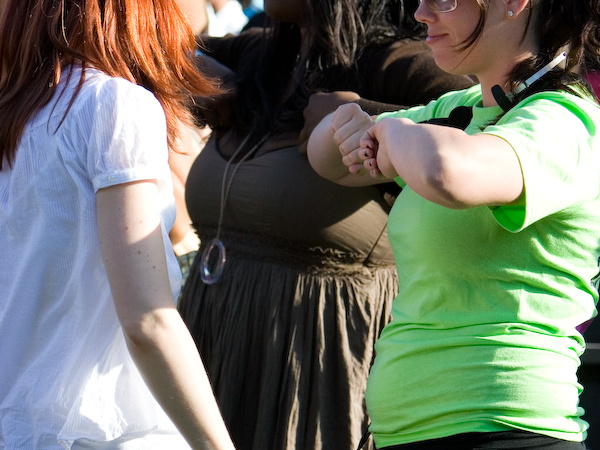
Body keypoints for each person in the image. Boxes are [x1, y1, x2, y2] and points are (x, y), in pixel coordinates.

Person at [177, 0, 473, 449]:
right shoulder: (263, 55)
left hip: (317, 367)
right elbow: (118, 41)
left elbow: (494, 135)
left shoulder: (397, 63)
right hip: (212, 349)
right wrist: (189, 70)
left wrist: (369, 116)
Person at [307, 0, 600, 448]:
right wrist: (344, 124)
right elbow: (329, 162)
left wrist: (390, 132)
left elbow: (445, 171)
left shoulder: (566, 121)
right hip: (407, 433)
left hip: (504, 432)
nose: (421, 12)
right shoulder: (461, 108)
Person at [0, 0, 235, 449]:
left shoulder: (19, 113)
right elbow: (147, 321)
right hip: (101, 429)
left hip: (20, 422)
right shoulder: (113, 105)